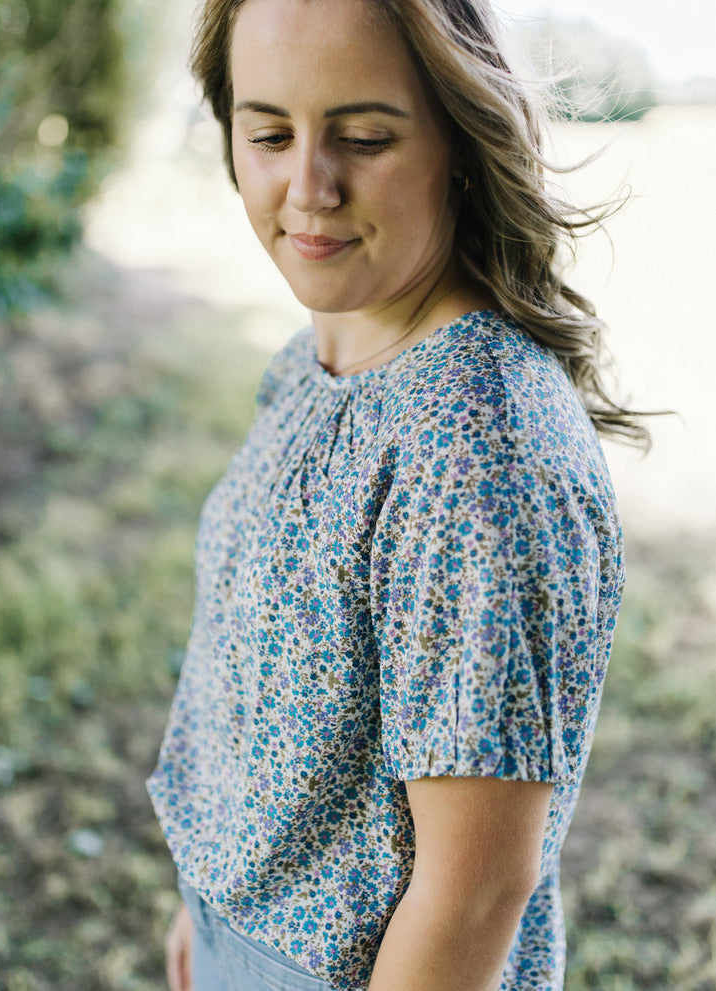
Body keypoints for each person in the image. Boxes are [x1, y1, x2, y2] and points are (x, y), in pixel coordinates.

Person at [146, 0, 648, 988]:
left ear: (460, 140)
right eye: (268, 133)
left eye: (363, 136)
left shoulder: (473, 444)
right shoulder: (315, 361)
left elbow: (473, 891)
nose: (307, 187)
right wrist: (207, 910)